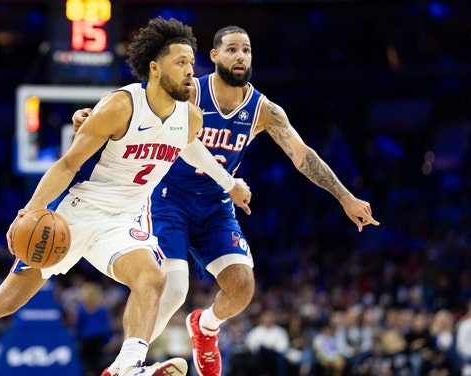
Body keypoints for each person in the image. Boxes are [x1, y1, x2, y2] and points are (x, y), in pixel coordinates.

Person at [0, 17, 252, 376]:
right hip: (77, 213)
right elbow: (67, 165)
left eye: (192, 63)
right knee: (6, 300)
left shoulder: (190, 118)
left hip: (125, 218)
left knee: (152, 278)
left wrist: (228, 183)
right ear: (155, 67)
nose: (191, 72)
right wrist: (30, 211)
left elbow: (191, 149)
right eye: (181, 63)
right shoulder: (120, 106)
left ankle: (129, 366)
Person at [75, 25, 380, 376]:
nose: (241, 56)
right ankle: (124, 367)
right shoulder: (190, 92)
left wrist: (345, 197)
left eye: (247, 51)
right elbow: (140, 103)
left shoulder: (265, 111)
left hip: (216, 205)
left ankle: (205, 327)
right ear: (215, 55)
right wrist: (91, 114)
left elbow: (302, 154)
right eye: (232, 49)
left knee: (241, 287)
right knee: (173, 289)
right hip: (166, 199)